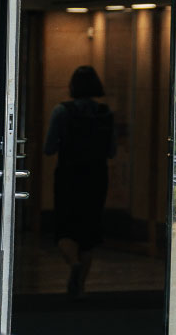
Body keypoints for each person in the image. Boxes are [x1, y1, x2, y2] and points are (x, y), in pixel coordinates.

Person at [43, 65, 116, 299]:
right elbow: (112, 151)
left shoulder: (61, 111)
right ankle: (80, 288)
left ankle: (73, 264)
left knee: (64, 229)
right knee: (89, 234)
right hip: (96, 177)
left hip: (68, 176)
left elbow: (49, 148)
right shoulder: (106, 112)